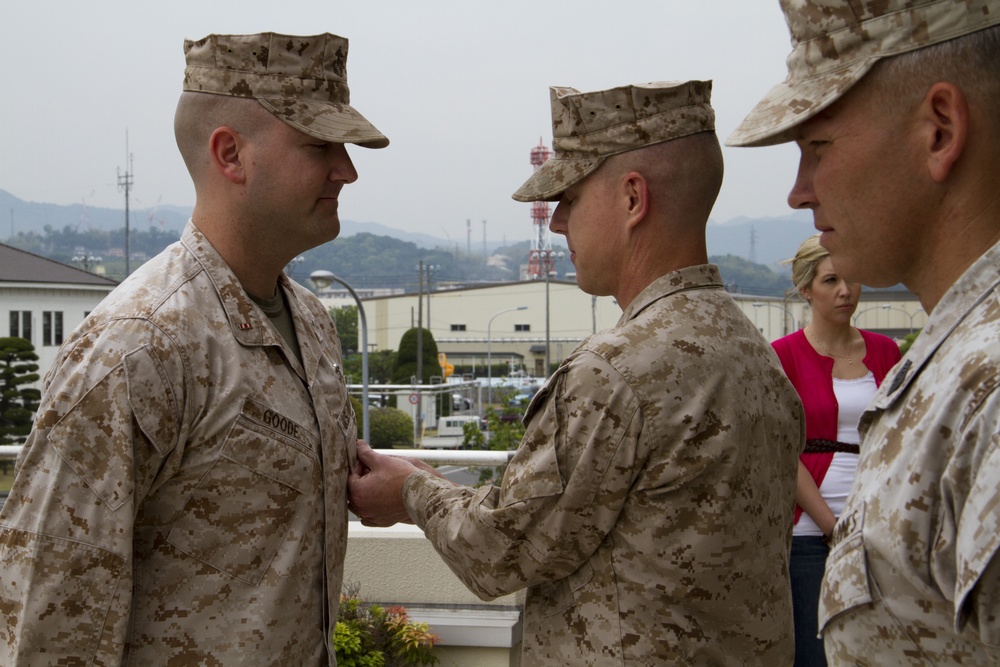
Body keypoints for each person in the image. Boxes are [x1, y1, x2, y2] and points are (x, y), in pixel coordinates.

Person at [348, 80, 804, 665]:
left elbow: (501, 550)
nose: (558, 222)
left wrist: (410, 491)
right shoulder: (755, 354)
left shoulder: (616, 371)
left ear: (632, 199)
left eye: (571, 198)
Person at [0, 32, 387, 664]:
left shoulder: (312, 325)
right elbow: (51, 624)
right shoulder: (139, 346)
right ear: (231, 154)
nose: (346, 169)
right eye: (320, 145)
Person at [728, 1, 1000, 663]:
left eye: (818, 147)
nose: (799, 192)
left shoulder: (987, 384)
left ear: (939, 130)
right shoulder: (952, 359)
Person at [772, 234, 901, 667]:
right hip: (809, 532)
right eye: (831, 281)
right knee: (816, 654)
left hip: (879, 528)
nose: (846, 291)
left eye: (851, 279)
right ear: (806, 288)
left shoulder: (886, 350)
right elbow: (782, 453)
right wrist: (832, 526)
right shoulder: (781, 356)